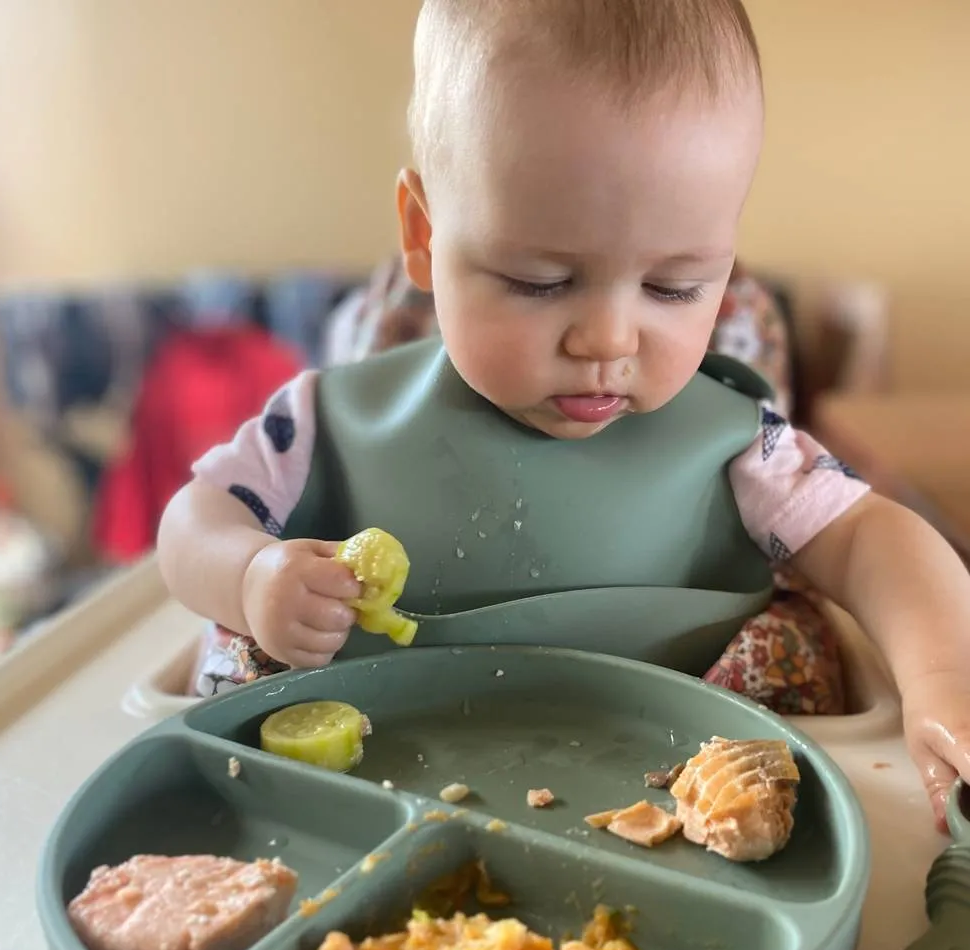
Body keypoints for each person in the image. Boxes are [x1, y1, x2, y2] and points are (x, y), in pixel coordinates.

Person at [158, 0, 970, 832]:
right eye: (542, 281)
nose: (608, 338)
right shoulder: (328, 425)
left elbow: (877, 539)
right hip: (370, 794)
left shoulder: (744, 450)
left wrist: (943, 678)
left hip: (672, 811)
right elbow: (193, 524)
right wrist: (252, 577)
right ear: (424, 233)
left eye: (674, 287)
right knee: (236, 657)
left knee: (798, 645)